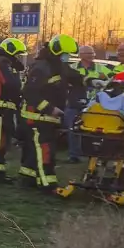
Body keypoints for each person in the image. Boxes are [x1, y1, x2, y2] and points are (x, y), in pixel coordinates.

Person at [19, 34, 81, 194]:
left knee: (35, 151)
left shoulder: (57, 66)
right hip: (37, 117)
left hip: (47, 118)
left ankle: (28, 180)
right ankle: (48, 184)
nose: (67, 58)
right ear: (57, 52)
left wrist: (92, 80)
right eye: (65, 54)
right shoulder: (41, 68)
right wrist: (49, 109)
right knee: (45, 150)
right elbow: (29, 93)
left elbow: (75, 77)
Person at [0, 37, 26, 181]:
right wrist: (22, 92)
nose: (17, 57)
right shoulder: (2, 63)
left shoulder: (6, 63)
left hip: (5, 106)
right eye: (16, 54)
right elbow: (9, 83)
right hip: (0, 107)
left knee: (4, 140)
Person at [66, 45, 112, 162]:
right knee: (73, 128)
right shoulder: (72, 68)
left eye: (92, 53)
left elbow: (112, 80)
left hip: (95, 104)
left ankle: (96, 154)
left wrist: (105, 81)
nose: (92, 55)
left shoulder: (102, 69)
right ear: (80, 55)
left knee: (97, 130)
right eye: (88, 53)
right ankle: (74, 155)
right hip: (75, 101)